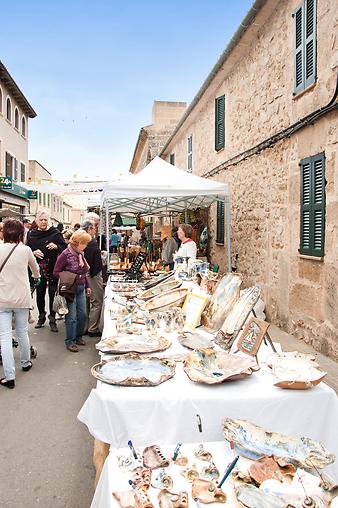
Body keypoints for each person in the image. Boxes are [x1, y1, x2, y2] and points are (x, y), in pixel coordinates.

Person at [0, 219, 40, 388]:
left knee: (5, 336)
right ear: (20, 233)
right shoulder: (26, 250)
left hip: (2, 299)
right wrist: (36, 277)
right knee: (23, 331)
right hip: (22, 298)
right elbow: (35, 270)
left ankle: (9, 377)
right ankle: (25, 363)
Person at [27, 210, 67, 332]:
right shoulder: (31, 234)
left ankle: (52, 319)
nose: (43, 222)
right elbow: (27, 248)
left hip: (52, 268)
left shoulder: (55, 233)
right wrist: (33, 252)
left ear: (48, 220)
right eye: (41, 220)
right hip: (38, 270)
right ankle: (41, 317)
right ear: (36, 221)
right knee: (39, 294)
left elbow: (65, 248)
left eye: (45, 219)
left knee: (52, 294)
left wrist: (56, 246)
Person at [53, 229, 92, 352]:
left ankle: (78, 336)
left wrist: (88, 286)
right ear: (78, 243)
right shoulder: (65, 254)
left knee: (83, 315)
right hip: (70, 289)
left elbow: (84, 272)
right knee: (72, 316)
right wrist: (70, 277)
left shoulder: (81, 254)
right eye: (84, 243)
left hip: (81, 287)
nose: (86, 245)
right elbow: (56, 272)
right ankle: (70, 341)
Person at [82, 220, 103, 337]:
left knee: (86, 302)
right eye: (94, 228)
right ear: (89, 229)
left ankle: (85, 327)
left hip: (86, 274)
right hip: (92, 275)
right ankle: (92, 328)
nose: (95, 230)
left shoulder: (82, 241)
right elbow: (93, 262)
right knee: (97, 302)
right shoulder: (89, 242)